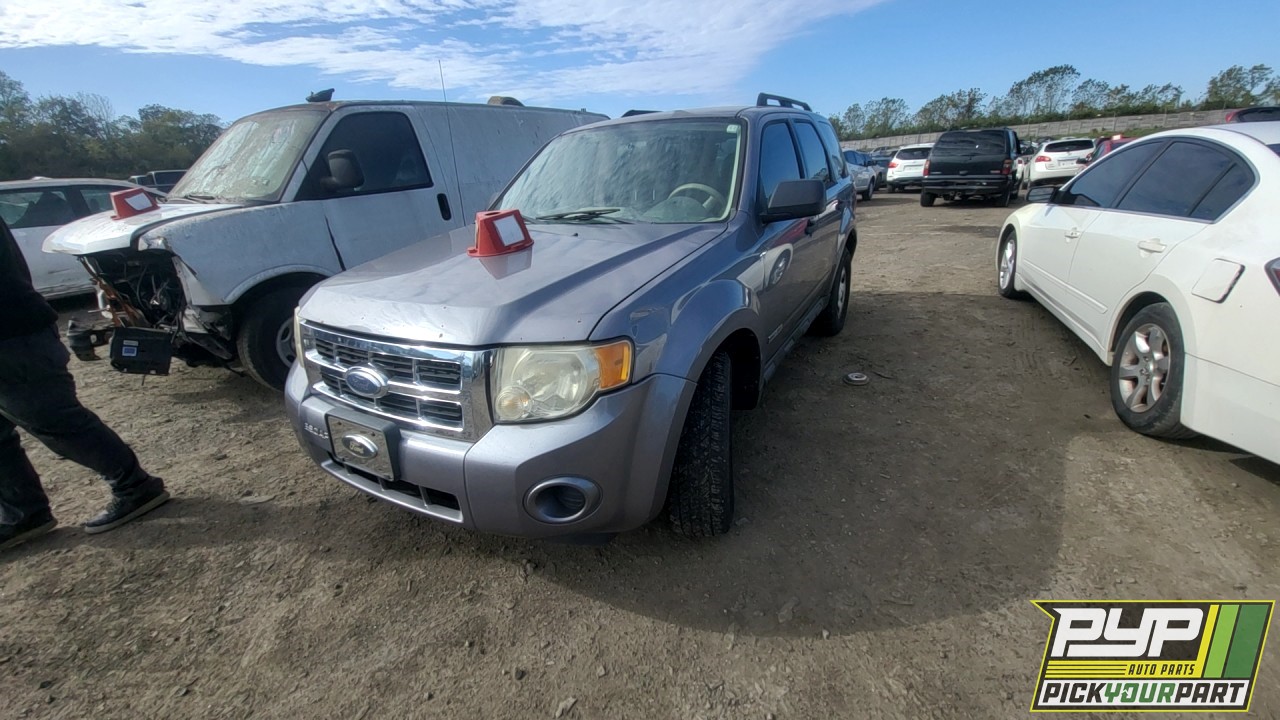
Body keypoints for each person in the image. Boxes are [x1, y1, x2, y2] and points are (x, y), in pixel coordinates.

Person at [0, 216, 169, 551]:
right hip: (15, 332)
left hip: (13, 336)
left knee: (55, 420)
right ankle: (24, 513)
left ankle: (135, 486)